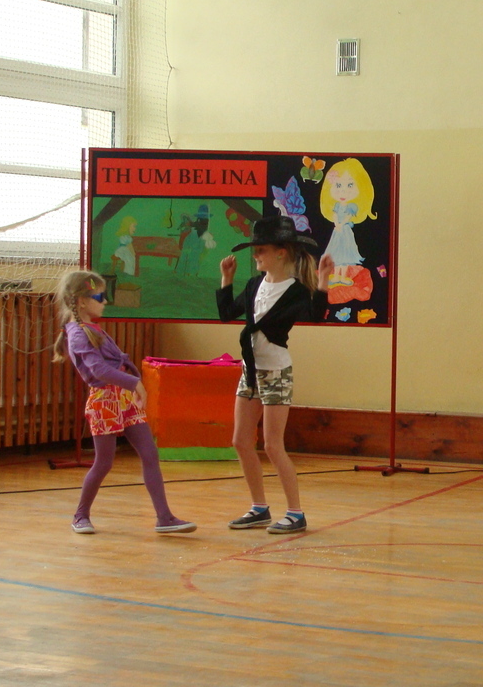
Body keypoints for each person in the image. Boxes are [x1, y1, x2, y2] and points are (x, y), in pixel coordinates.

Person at [53, 270, 196, 535]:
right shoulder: (78, 334)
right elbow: (99, 371)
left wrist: (131, 383)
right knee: (104, 462)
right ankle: (80, 515)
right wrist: (135, 383)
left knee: (149, 454)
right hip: (105, 401)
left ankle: (164, 517)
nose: (105, 301)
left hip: (124, 398)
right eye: (99, 297)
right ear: (82, 301)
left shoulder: (91, 328)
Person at [218, 214, 334, 533]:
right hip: (250, 370)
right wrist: (226, 279)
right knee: (241, 441)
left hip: (276, 372)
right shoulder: (255, 285)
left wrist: (323, 280)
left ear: (281, 253)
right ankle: (259, 508)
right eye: (255, 250)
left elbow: (317, 315)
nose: (256, 255)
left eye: (261, 250)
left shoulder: (294, 290)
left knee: (272, 445)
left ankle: (295, 513)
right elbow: (227, 313)